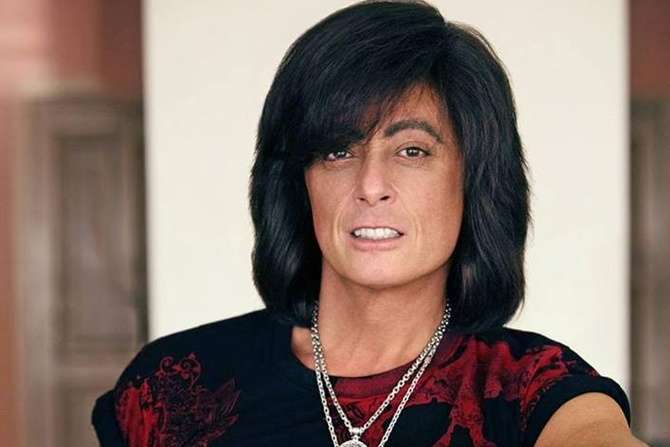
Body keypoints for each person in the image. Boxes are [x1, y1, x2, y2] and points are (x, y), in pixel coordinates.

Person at [92, 1, 645, 446]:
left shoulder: (531, 389)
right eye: (337, 151)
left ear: (472, 179)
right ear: (299, 181)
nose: (371, 184)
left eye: (412, 150)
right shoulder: (172, 384)